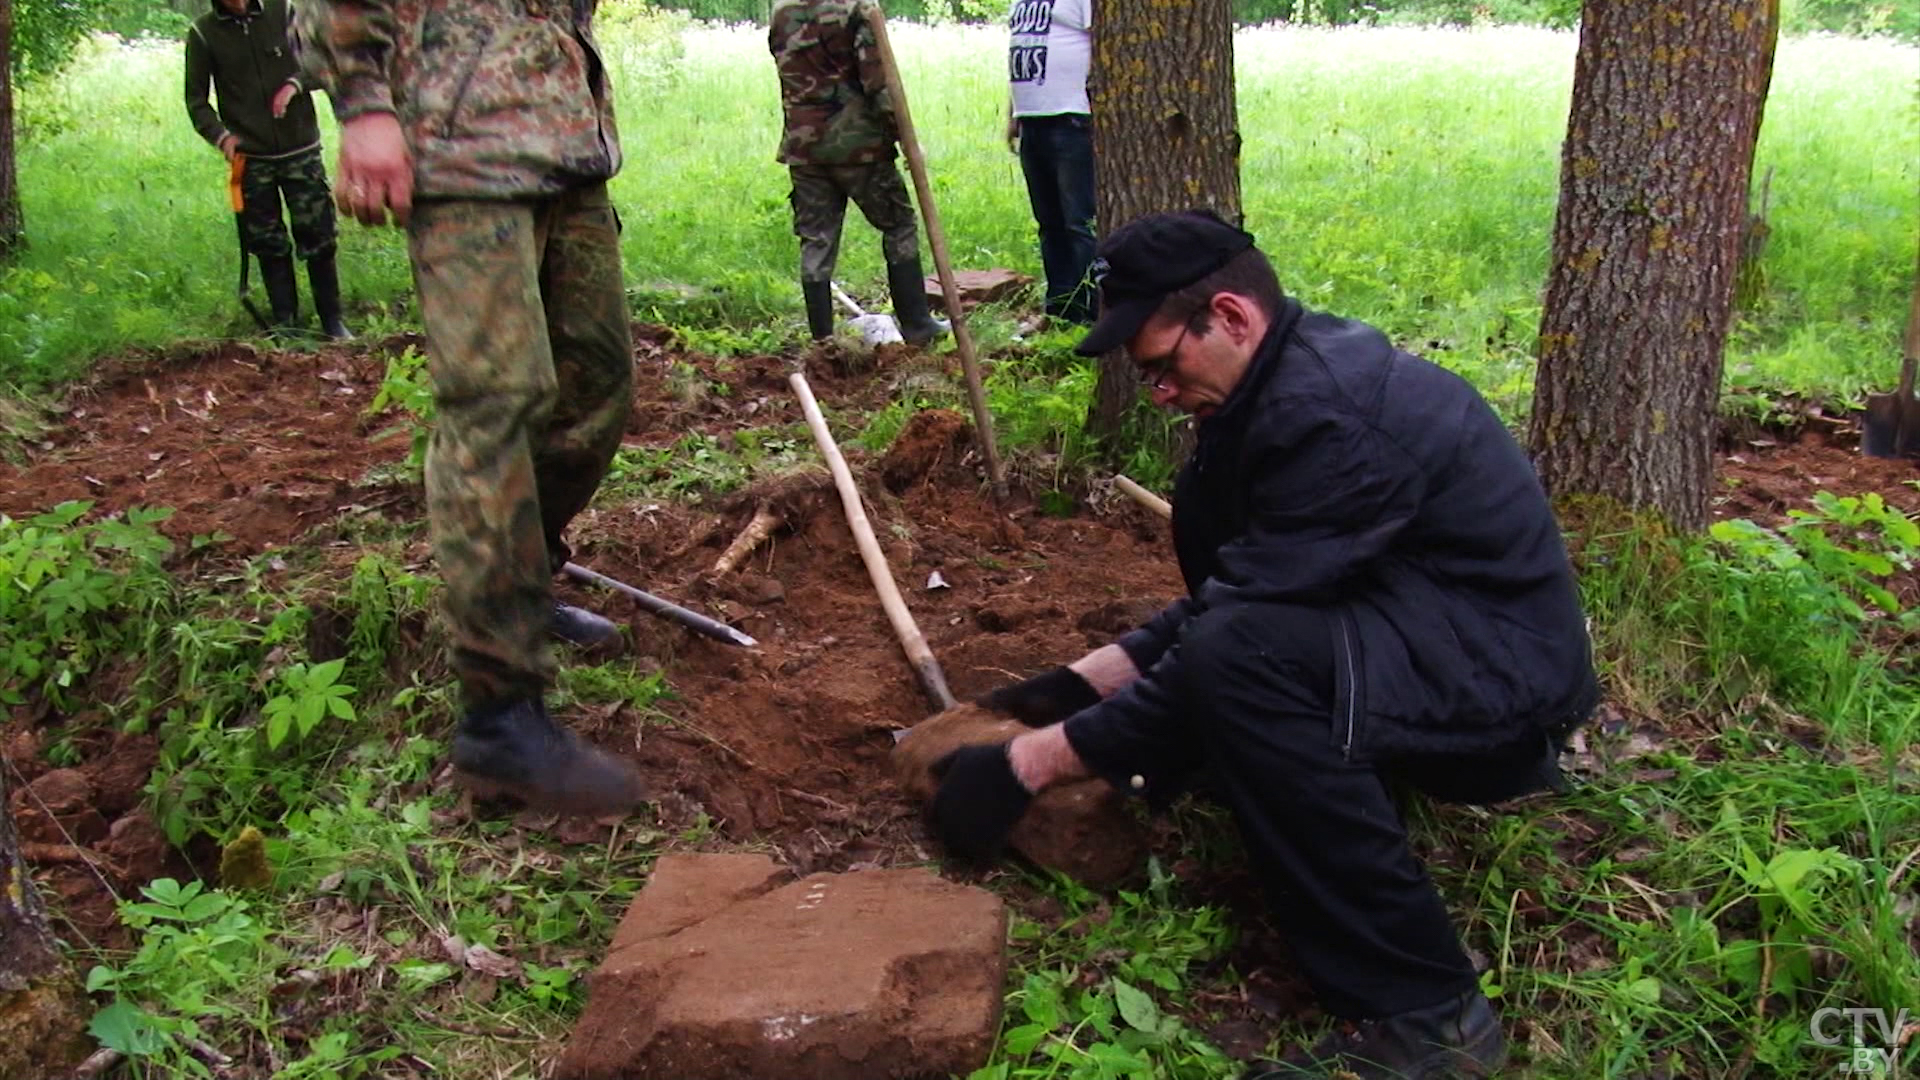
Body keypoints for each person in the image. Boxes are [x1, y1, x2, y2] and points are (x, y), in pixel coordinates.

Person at [927, 211, 1598, 1078]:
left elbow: (1240, 637)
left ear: (1234, 317)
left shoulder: (1329, 419)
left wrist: (1029, 767)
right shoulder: (1273, 390)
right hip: (1425, 637)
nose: (1159, 394)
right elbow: (1245, 591)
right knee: (1232, 664)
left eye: (1165, 366)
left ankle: (1429, 1025)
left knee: (1240, 670)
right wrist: (1069, 689)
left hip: (1501, 690)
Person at [292, 0, 644, 816]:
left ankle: (525, 578)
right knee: (496, 403)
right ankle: (499, 711)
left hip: (568, 142)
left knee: (596, 389)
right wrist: (364, 104)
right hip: (458, 150)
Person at [769, 0, 946, 347]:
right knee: (898, 223)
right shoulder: (859, 9)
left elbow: (787, 73)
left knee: (817, 239)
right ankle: (917, 324)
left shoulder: (782, 11)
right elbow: (879, 82)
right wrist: (904, 137)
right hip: (859, 146)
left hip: (804, 147)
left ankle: (823, 340)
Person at [185, 0, 352, 339]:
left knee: (319, 236)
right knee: (268, 244)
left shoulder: (283, 12)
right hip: (252, 160)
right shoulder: (203, 33)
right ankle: (287, 327)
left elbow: (320, 63)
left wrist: (295, 84)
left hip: (301, 150)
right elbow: (196, 102)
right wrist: (221, 137)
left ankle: (333, 322)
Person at [1007, 0, 1096, 325]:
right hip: (1032, 118)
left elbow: (1101, 42)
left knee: (1079, 222)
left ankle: (1091, 311)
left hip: (1071, 118)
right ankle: (1060, 310)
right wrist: (1012, 113)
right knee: (1049, 223)